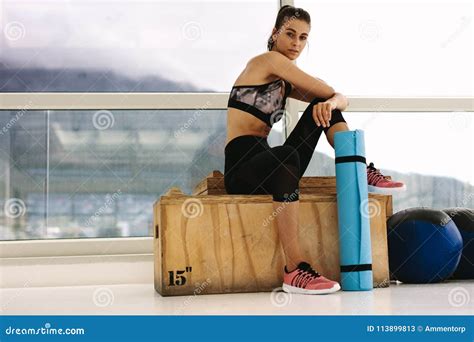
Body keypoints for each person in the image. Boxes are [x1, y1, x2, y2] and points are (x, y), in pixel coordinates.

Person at [224, 5, 405, 295]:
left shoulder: (284, 81)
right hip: (241, 166)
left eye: (303, 38)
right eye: (290, 34)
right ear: (274, 34)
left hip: (268, 162)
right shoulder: (267, 60)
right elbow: (327, 87)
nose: (296, 43)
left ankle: (359, 167)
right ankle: (293, 270)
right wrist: (328, 97)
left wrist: (329, 104)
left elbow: (338, 97)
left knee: (322, 109)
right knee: (288, 153)